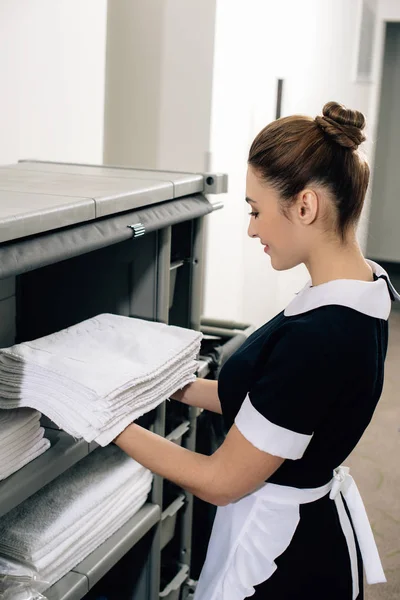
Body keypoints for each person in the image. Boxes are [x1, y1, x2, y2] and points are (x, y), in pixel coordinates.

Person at [114, 101, 399, 600]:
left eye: (256, 210)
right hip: (311, 526)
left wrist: (108, 421)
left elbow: (221, 479)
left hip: (286, 561)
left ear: (305, 206)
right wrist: (165, 386)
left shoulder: (323, 336)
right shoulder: (364, 288)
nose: (251, 229)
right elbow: (273, 403)